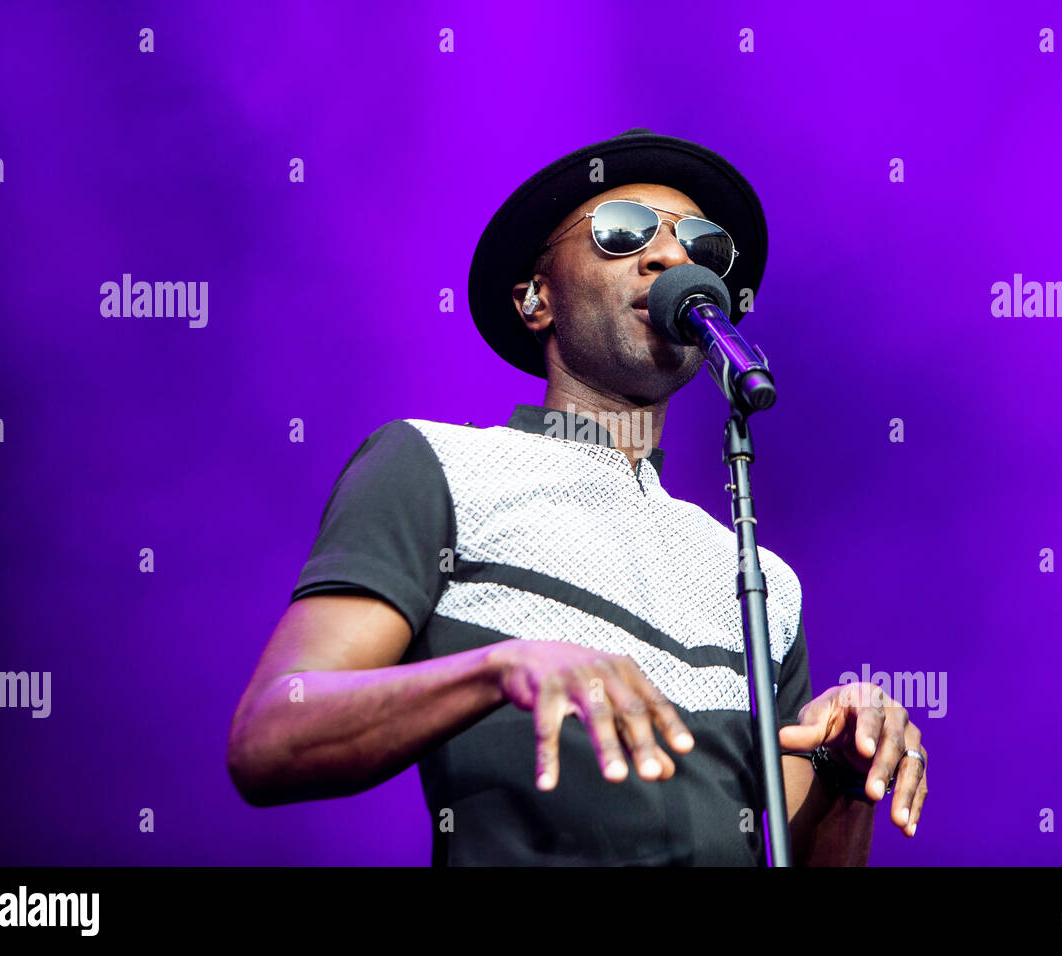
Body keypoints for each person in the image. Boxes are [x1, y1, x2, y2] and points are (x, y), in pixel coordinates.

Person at [226, 128, 928, 865]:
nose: (670, 257)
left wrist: (849, 776)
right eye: (622, 233)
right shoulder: (440, 465)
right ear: (536, 300)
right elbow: (272, 737)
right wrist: (500, 668)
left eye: (701, 245)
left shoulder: (764, 581)